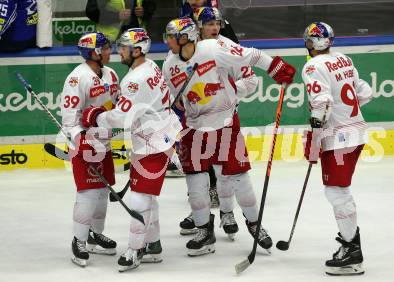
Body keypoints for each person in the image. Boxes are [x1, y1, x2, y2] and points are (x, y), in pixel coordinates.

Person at [162, 17, 295, 256]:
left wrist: (276, 68)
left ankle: (255, 224)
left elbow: (251, 55)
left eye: (171, 37)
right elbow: (175, 101)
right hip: (194, 127)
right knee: (195, 182)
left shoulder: (213, 49)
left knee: (239, 177)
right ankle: (205, 230)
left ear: (186, 38)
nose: (167, 41)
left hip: (224, 122)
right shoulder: (169, 64)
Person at [81, 28, 182, 272]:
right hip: (160, 135)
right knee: (147, 196)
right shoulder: (150, 66)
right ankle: (153, 244)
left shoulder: (134, 79)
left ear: (137, 50)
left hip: (153, 142)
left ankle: (136, 249)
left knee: (139, 197)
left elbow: (120, 117)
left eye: (124, 48)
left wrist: (95, 117)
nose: (119, 51)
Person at [177, 7, 259, 241]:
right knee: (198, 172)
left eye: (217, 23)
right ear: (199, 26)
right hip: (195, 118)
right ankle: (199, 214)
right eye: (209, 23)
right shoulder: (188, 48)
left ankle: (226, 212)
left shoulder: (226, 46)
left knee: (224, 169)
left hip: (223, 114)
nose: (214, 27)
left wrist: (230, 90)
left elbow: (250, 79)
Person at [301, 22, 373, 276]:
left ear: (317, 43)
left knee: (337, 192)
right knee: (338, 191)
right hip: (356, 131)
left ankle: (352, 252)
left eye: (310, 40)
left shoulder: (312, 66)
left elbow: (321, 102)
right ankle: (351, 244)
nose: (306, 44)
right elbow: (365, 91)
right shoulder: (343, 58)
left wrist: (315, 136)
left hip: (339, 137)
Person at [61, 32, 120, 267]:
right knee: (87, 193)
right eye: (105, 48)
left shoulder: (111, 74)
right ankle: (79, 240)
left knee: (103, 192)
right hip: (83, 145)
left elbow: (116, 106)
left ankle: (95, 234)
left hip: (104, 143)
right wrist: (79, 140)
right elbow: (69, 120)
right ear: (93, 52)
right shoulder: (77, 79)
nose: (109, 51)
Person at [86, 0, 156, 42]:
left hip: (137, 40)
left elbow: (151, 6)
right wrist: (116, 16)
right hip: (109, 42)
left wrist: (144, 11)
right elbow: (91, 12)